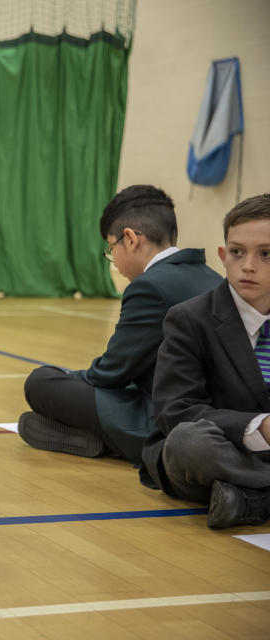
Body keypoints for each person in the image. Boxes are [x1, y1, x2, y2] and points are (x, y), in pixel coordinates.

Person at [19, 185, 222, 463]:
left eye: (111, 248)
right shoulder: (213, 278)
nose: (113, 259)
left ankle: (108, 439)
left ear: (130, 239)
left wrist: (68, 378)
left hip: (164, 421)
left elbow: (109, 373)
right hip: (211, 413)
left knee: (41, 382)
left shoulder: (150, 286)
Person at [141, 193, 270, 528]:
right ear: (222, 256)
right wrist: (258, 426)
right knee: (188, 443)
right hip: (226, 449)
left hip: (246, 470)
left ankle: (252, 500)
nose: (249, 266)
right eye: (238, 252)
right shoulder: (189, 318)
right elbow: (176, 409)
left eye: (266, 254)